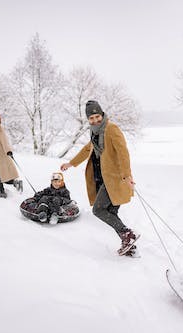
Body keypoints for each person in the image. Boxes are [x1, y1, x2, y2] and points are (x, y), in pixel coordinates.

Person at [60, 100, 138, 255]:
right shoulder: (95, 132)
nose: (95, 120)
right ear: (88, 120)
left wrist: (126, 175)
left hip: (115, 180)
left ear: (102, 114)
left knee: (98, 210)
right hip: (103, 179)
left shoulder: (111, 129)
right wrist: (70, 164)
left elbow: (123, 153)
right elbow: (87, 149)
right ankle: (129, 245)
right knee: (111, 212)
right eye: (91, 118)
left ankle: (128, 235)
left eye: (97, 116)